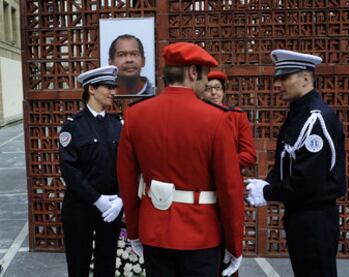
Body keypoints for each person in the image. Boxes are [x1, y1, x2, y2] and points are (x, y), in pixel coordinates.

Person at [117, 42, 245, 277]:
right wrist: (235, 244)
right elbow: (230, 189)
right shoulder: (217, 119)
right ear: (192, 73)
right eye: (205, 75)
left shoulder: (135, 115)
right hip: (201, 234)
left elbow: (127, 181)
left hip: (154, 231)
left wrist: (134, 232)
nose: (206, 83)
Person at [245, 49, 346, 277]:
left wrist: (268, 191)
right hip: (300, 215)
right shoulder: (299, 112)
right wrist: (265, 183)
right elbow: (287, 159)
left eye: (284, 77)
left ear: (305, 78)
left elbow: (307, 181)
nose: (277, 84)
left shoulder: (315, 119)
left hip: (315, 217)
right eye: (277, 78)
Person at [59, 65, 124, 277]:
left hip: (111, 208)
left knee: (106, 265)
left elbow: (127, 165)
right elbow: (69, 169)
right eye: (108, 87)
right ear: (92, 89)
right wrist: (96, 199)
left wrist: (120, 199)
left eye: (114, 87)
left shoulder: (118, 125)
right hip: (80, 207)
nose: (113, 92)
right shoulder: (73, 126)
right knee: (78, 264)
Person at [203, 70, 256, 169]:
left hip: (229, 174)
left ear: (223, 91)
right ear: (202, 93)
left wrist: (222, 161)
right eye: (208, 88)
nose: (213, 92)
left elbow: (249, 156)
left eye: (217, 88)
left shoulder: (237, 116)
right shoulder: (197, 116)